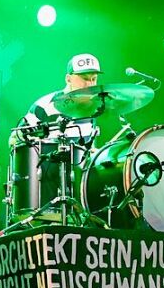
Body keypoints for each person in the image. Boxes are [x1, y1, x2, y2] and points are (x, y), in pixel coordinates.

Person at [11, 54, 117, 220]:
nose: (90, 84)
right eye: (84, 78)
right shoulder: (45, 105)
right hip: (44, 184)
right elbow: (14, 138)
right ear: (68, 79)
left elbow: (88, 150)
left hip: (77, 189)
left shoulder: (93, 110)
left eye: (93, 79)